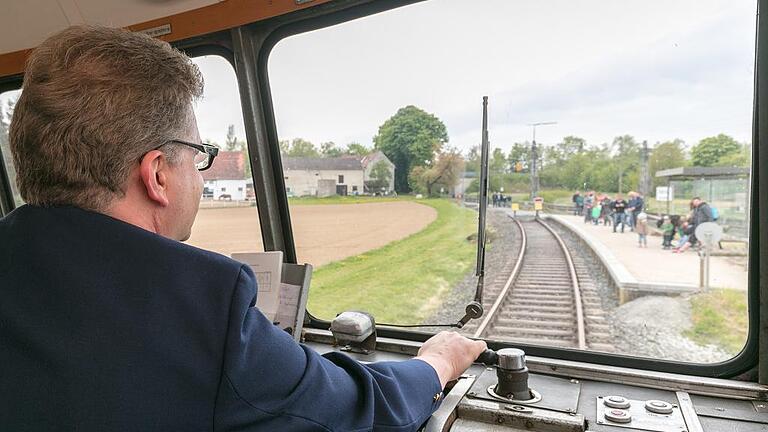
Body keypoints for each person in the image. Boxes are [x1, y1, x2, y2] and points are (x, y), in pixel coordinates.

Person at [0, 26, 487, 431]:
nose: (201, 170)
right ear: (158, 175)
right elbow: (360, 410)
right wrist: (437, 362)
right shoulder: (202, 307)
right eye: (198, 155)